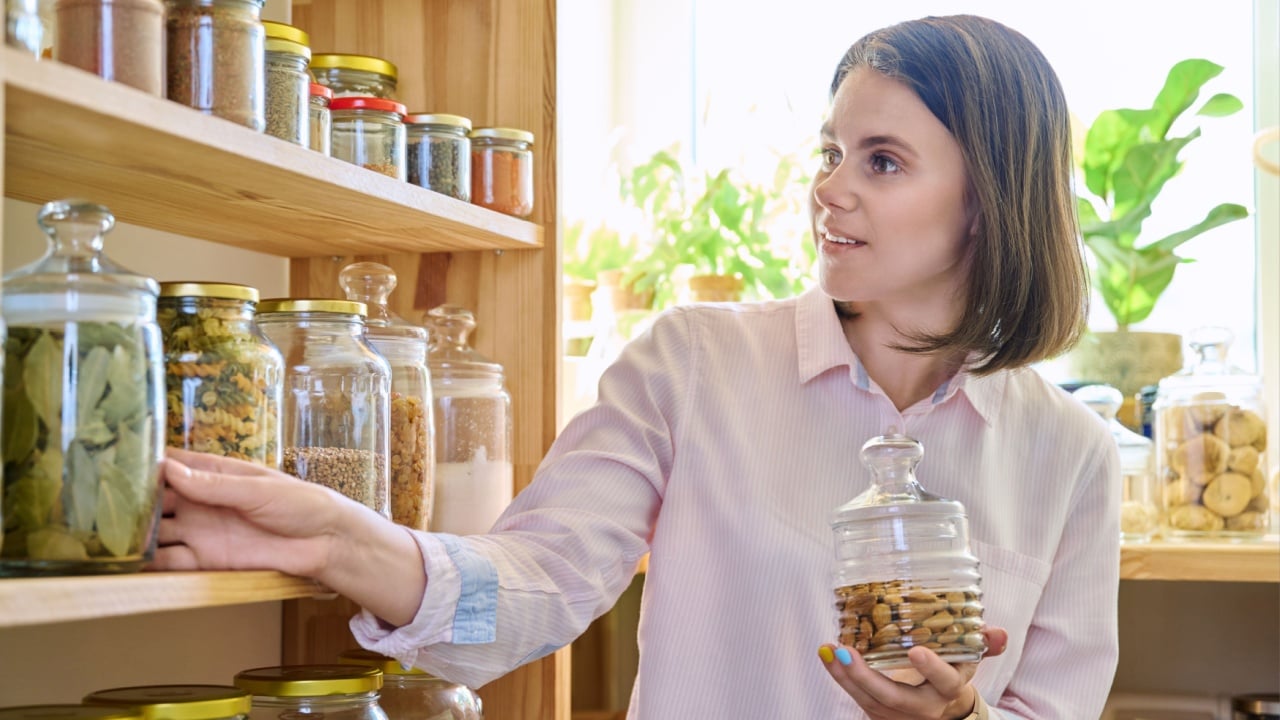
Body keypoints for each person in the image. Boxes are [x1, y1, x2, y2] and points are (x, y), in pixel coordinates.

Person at [154, 14, 1120, 720]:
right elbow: (539, 580)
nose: (828, 187)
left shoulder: (1070, 455)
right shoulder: (695, 362)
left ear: (990, 196)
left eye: (883, 161)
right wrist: (339, 542)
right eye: (830, 151)